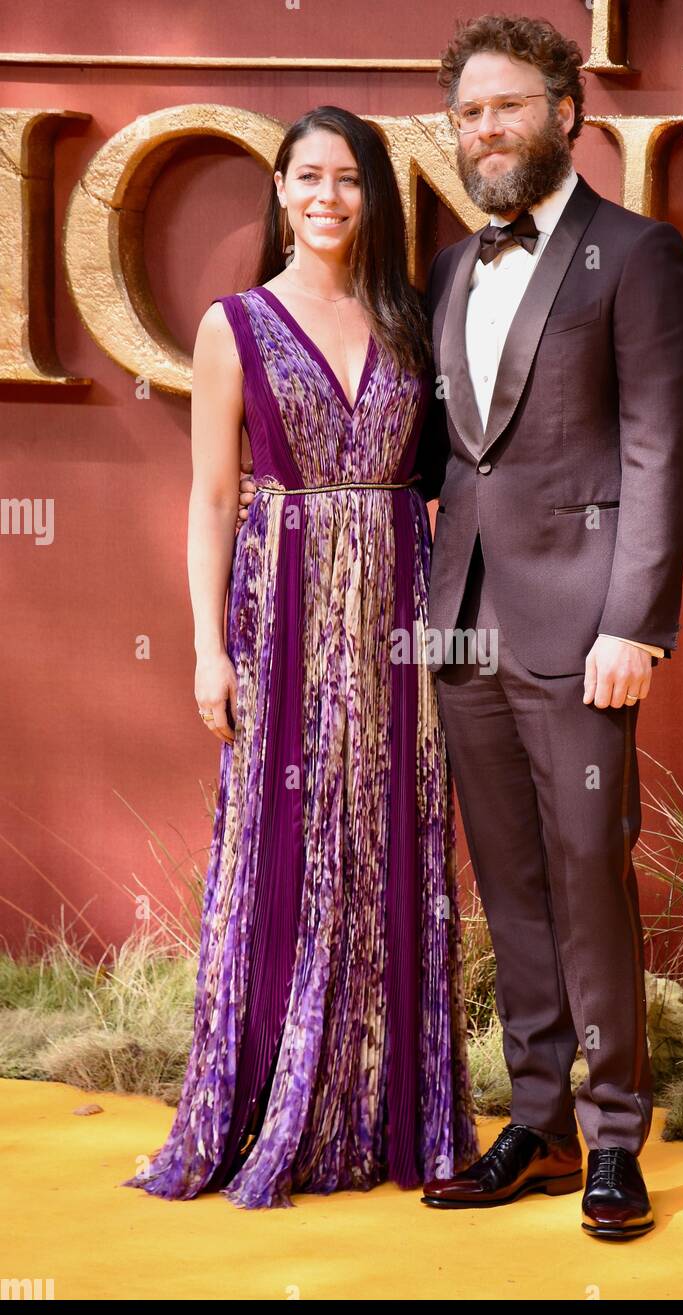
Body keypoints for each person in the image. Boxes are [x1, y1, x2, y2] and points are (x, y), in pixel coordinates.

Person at [238, 13, 683, 1240]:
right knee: (508, 881)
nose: (484, 131)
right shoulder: (446, 271)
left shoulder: (637, 253)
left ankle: (614, 1134)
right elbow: (431, 454)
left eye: (505, 107)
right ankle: (539, 1118)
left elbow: (663, 447)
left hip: (586, 631)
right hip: (458, 630)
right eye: (467, 114)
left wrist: (636, 622)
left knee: (588, 877)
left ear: (567, 114)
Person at [121, 107, 480, 1211]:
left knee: (389, 839)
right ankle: (271, 1102)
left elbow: (445, 478)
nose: (327, 197)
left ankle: (384, 1109)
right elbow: (214, 495)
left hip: (396, 609)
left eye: (349, 180)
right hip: (277, 613)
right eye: (307, 177)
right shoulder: (235, 322)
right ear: (279, 191)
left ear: (375, 196)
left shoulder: (410, 322)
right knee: (284, 844)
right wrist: (204, 647)